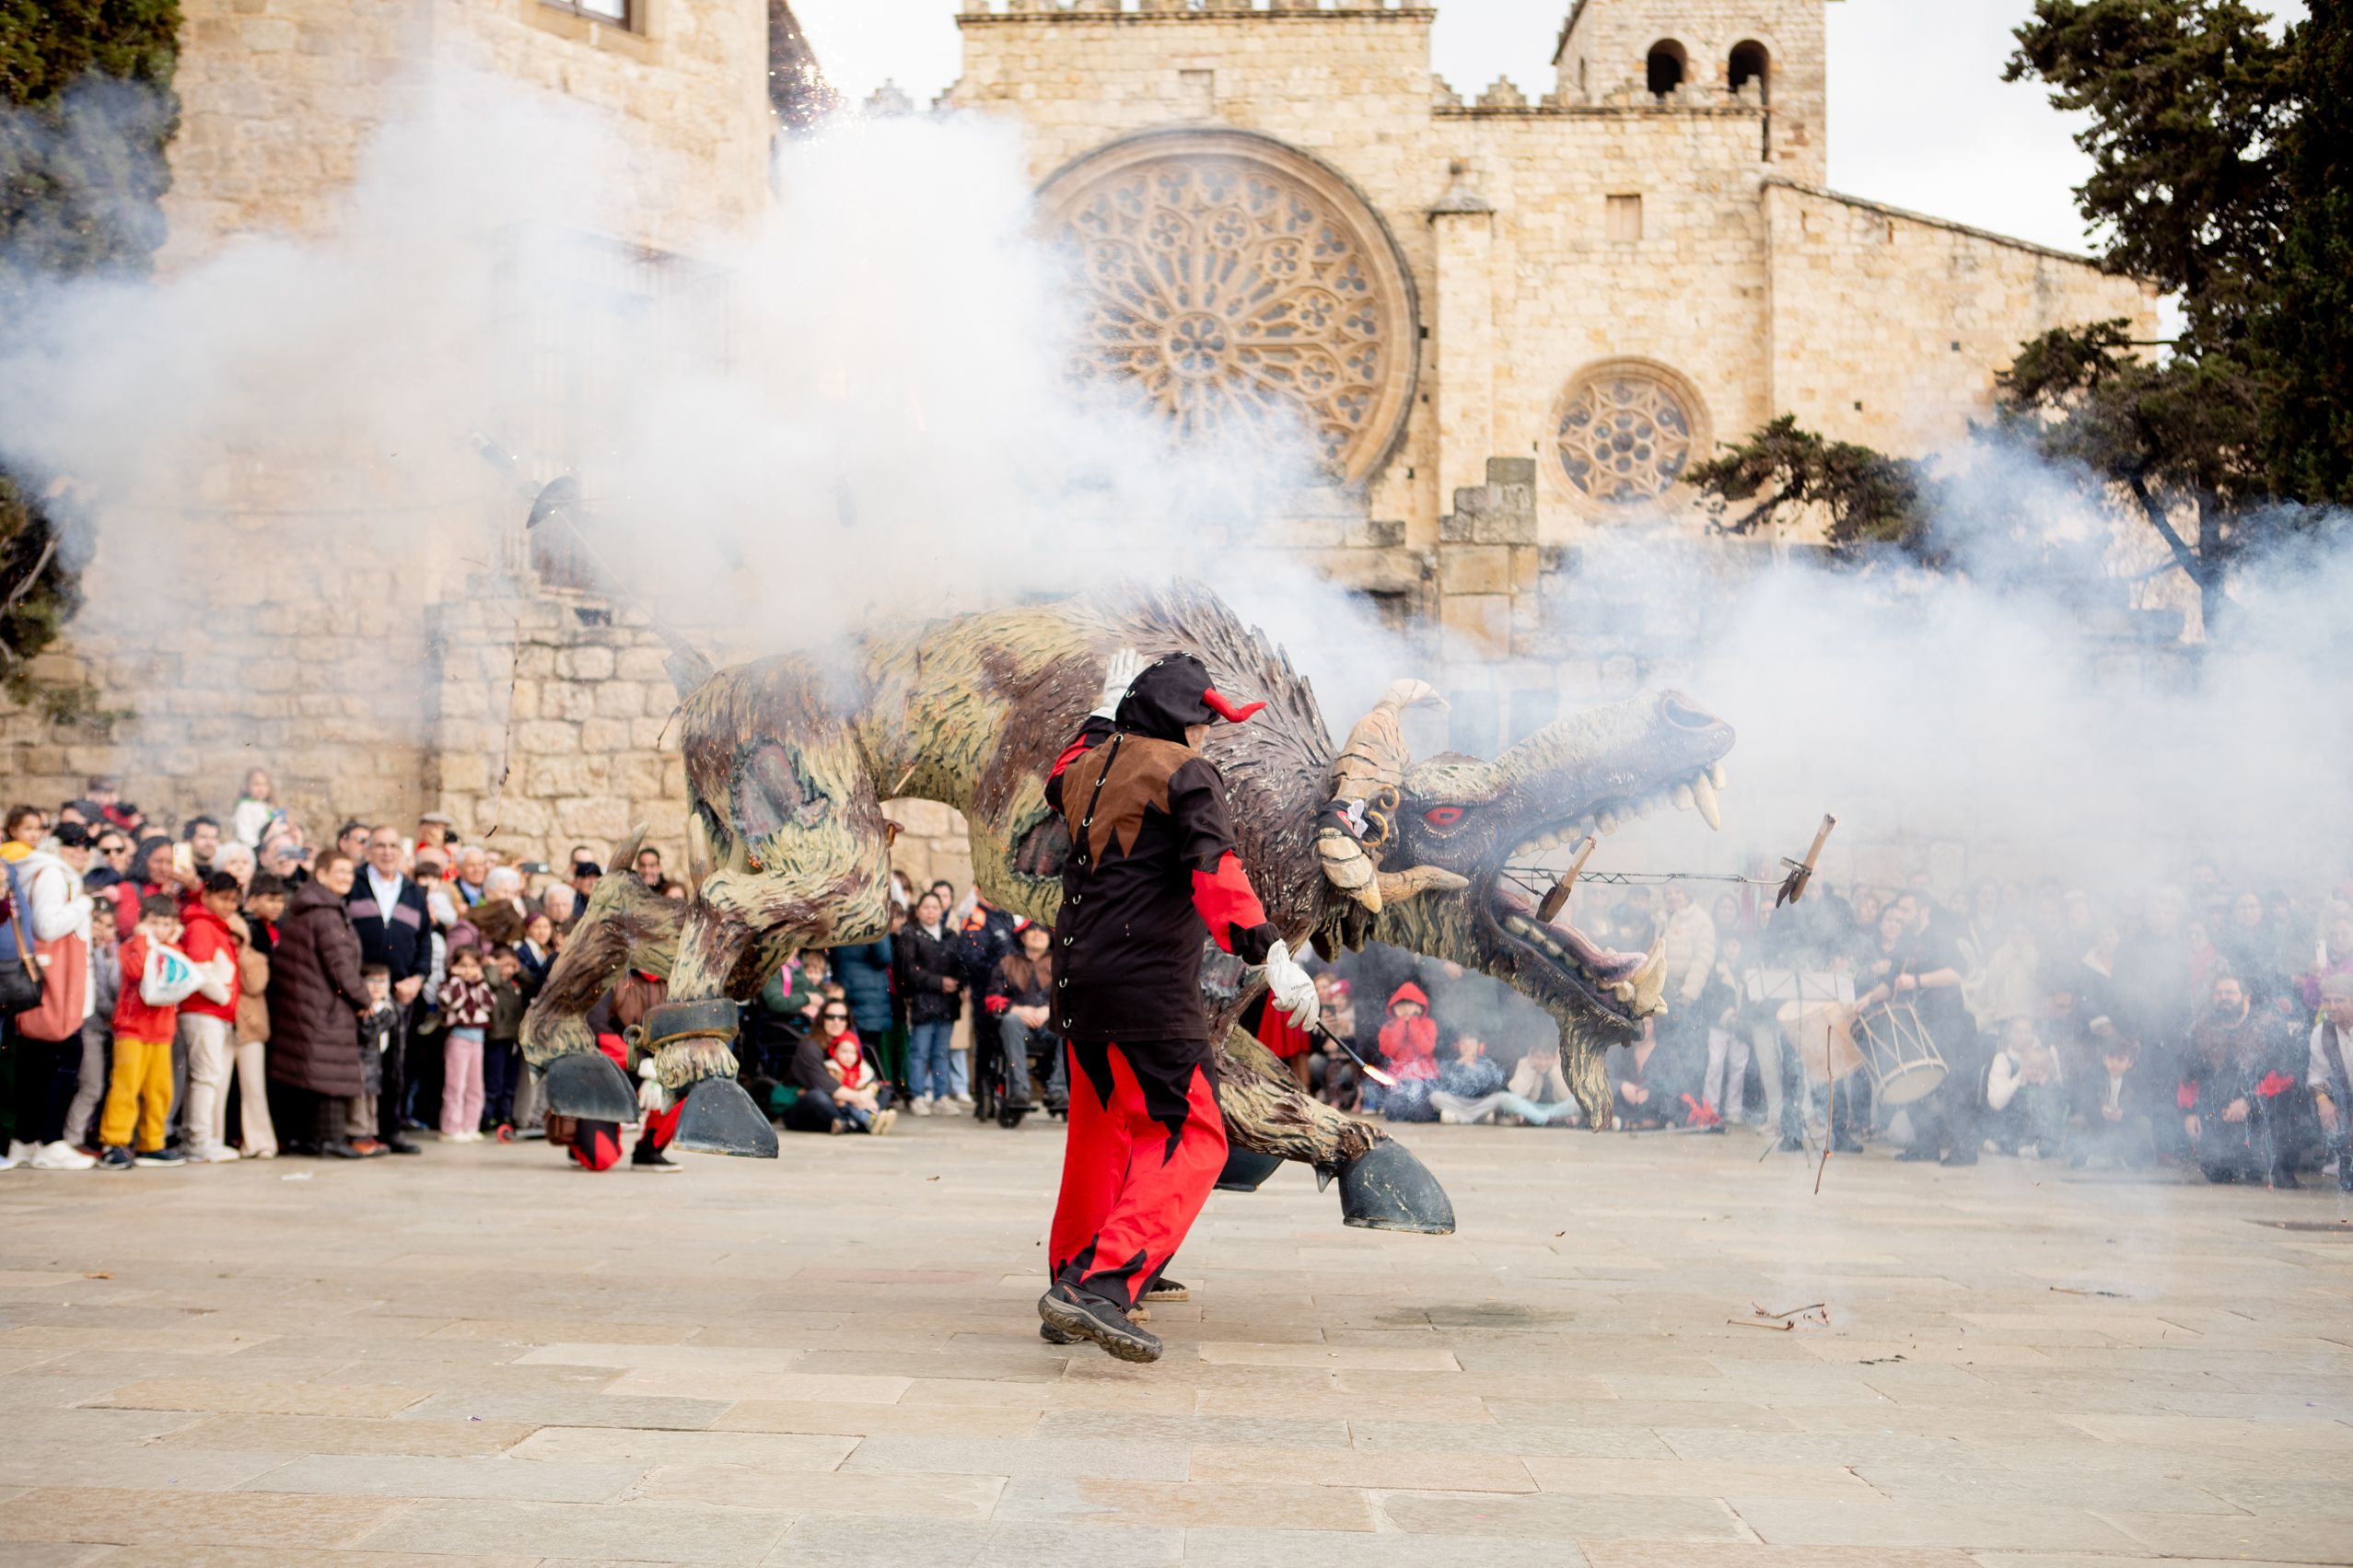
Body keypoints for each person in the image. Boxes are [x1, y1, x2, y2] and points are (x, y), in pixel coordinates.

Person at [1033, 649, 1315, 1362]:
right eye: (1202, 718)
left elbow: (1059, 771)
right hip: (1145, 983)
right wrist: (1270, 951)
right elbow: (1215, 868)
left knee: (1103, 1131)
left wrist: (1101, 713)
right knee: (1196, 1135)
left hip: (1078, 978)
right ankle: (1102, 1285)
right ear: (1178, 719)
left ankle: (1071, 1277)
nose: (1207, 734)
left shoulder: (1089, 765)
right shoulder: (1184, 770)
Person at [265, 851, 377, 1160]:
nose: (345, 877)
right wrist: (363, 998)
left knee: (307, 1074)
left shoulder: (308, 908)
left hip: (305, 1003)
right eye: (338, 871)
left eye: (349, 872)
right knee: (330, 1076)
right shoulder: (326, 913)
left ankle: (305, 1139)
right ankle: (330, 1140)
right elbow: (340, 964)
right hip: (324, 1005)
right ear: (322, 874)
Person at [3, 823, 100, 1169]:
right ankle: (50, 1140)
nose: (81, 851)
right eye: (72, 844)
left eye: (86, 845)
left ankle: (26, 1141)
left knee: (36, 1063)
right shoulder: (54, 874)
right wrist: (84, 905)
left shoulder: (35, 870)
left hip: (42, 980)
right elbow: (47, 925)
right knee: (61, 1059)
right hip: (57, 980)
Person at [347, 827, 429, 1155]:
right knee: (362, 1063)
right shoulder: (352, 885)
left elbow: (425, 943)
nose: (386, 852)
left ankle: (391, 1130)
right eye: (379, 845)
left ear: (402, 852)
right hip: (359, 991)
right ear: (367, 851)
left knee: (396, 1064)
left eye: (393, 845)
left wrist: (418, 979)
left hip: (400, 993)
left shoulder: (413, 892)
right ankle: (360, 1130)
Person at [99, 896, 195, 1169]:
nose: (160, 929)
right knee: (126, 1086)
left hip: (161, 1031)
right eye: (154, 923)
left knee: (159, 1089)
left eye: (166, 924)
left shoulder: (171, 949)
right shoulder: (132, 946)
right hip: (132, 1029)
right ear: (142, 923)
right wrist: (142, 940)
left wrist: (171, 942)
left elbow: (180, 974)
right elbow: (136, 969)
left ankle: (152, 1143)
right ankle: (114, 1141)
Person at [175, 871, 250, 1164]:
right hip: (203, 1010)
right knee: (205, 1077)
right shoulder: (202, 926)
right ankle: (198, 1141)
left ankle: (200, 1138)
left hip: (211, 1011)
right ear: (207, 896)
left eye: (234, 900)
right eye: (224, 898)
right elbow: (200, 969)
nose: (229, 906)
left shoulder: (211, 925)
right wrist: (222, 995)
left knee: (206, 1077)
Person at [896, 889, 962, 1115]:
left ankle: (941, 1095)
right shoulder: (910, 935)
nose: (931, 911)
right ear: (918, 910)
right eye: (926, 907)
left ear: (942, 910)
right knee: (919, 1051)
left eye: (935, 907)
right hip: (923, 1002)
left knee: (941, 1052)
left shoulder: (950, 936)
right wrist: (938, 982)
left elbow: (962, 965)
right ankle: (917, 1095)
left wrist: (957, 982)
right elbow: (909, 970)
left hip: (947, 1003)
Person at [984, 919, 1056, 1115]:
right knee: (1010, 1021)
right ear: (1023, 937)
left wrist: (1049, 1010)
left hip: (1050, 1026)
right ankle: (1019, 1091)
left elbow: (1072, 998)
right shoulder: (1008, 963)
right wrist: (1017, 1011)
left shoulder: (1060, 964)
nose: (1037, 934)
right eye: (1032, 930)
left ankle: (1060, 1090)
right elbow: (992, 998)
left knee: (1068, 1026)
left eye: (1042, 931)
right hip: (1018, 1028)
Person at [1984, 1015, 2067, 1158]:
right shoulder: (2003, 1058)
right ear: (2009, 1035)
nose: (2023, 1037)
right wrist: (2021, 1075)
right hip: (2015, 1119)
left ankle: (2037, 1146)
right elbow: (1996, 1103)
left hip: (2041, 1117)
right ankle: (2011, 1145)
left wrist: (2045, 1076)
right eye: (2017, 1032)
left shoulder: (2047, 1052)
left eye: (2027, 1032)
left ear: (2034, 1034)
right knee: (2009, 1131)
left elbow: (2058, 1084)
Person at [830, 930, 901, 1097]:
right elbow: (884, 957)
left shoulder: (840, 923)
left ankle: (852, 1089)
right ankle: (871, 1091)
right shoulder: (872, 923)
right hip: (868, 996)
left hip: (845, 989)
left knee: (850, 1046)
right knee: (867, 1049)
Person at [437, 946, 492, 1142]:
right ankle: (451, 1127)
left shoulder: (480, 985)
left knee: (475, 1085)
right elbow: (454, 1002)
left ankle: (470, 1125)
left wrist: (479, 982)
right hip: (458, 1037)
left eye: (473, 966)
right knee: (455, 1084)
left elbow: (489, 1004)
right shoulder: (448, 986)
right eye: (463, 966)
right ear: (454, 966)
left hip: (478, 1038)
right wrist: (456, 979)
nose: (468, 970)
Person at [2305, 973, 2353, 1191]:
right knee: (2348, 1182)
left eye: (2339, 1000)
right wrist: (2323, 1100)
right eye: (2327, 1001)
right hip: (2348, 1100)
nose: (2332, 1007)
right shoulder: (2321, 1032)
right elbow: (2317, 1075)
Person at [1375, 981, 1441, 1121]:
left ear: (1419, 1006)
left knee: (1421, 1114)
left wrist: (1412, 1022)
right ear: (1394, 1007)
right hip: (1399, 1079)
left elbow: (1425, 1047)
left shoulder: (1429, 1024)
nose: (1406, 1008)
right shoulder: (1389, 1026)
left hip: (1423, 1079)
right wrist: (1400, 1023)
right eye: (1402, 1004)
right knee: (1392, 1112)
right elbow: (1388, 1050)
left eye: (1410, 1003)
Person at [483, 944, 528, 1136]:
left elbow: (532, 983)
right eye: (504, 965)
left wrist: (520, 969)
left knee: (510, 1080)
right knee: (494, 1079)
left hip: (513, 1037)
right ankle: (487, 1116)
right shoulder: (494, 982)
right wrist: (492, 966)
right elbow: (492, 981)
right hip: (497, 1037)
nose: (507, 970)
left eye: (512, 966)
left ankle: (505, 1115)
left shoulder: (515, 984)